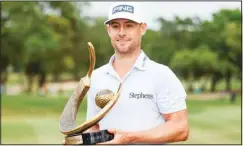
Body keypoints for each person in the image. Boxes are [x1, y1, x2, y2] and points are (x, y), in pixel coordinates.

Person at [86, 2, 189, 144]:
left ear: (142, 28)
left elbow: (181, 128)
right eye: (115, 26)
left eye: (129, 25)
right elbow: (94, 127)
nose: (121, 32)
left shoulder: (161, 74)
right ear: (108, 30)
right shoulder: (96, 77)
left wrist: (129, 138)